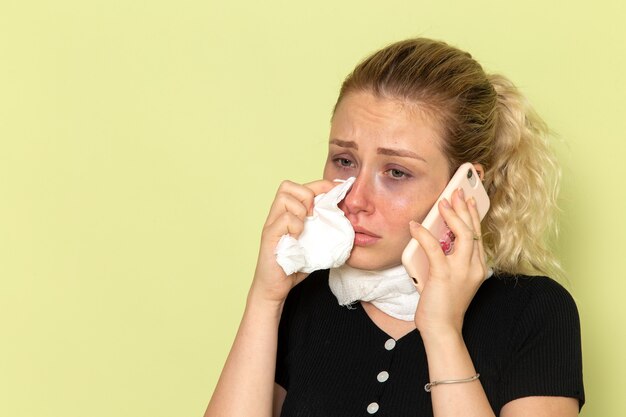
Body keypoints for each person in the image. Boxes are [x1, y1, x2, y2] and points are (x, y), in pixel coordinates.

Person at [204, 38, 584, 417]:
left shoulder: (534, 312)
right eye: (344, 160)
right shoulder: (303, 298)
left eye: (397, 172)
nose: (355, 199)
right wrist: (265, 298)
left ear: (465, 189)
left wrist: (442, 332)